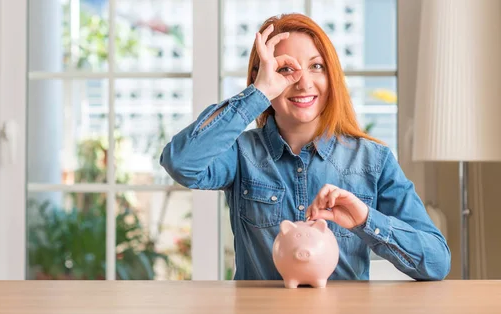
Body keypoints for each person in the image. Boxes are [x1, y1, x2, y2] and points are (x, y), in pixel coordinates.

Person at [160, 13, 451, 281]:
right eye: (285, 69)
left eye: (316, 66)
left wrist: (365, 218)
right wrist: (257, 95)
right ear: (262, 78)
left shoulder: (374, 160)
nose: (304, 83)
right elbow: (182, 163)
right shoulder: (240, 154)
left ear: (331, 75)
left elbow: (436, 263)